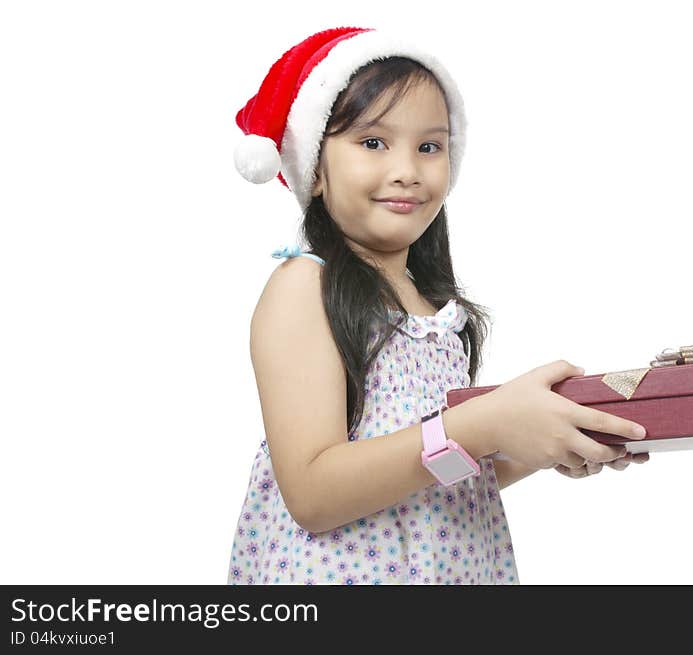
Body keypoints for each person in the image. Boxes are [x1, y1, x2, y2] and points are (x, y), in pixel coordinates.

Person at [227, 26, 649, 586]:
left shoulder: (434, 312)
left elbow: (432, 470)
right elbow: (312, 493)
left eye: (430, 146)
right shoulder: (305, 288)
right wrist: (478, 423)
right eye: (373, 142)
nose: (408, 169)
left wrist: (536, 444)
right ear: (316, 167)